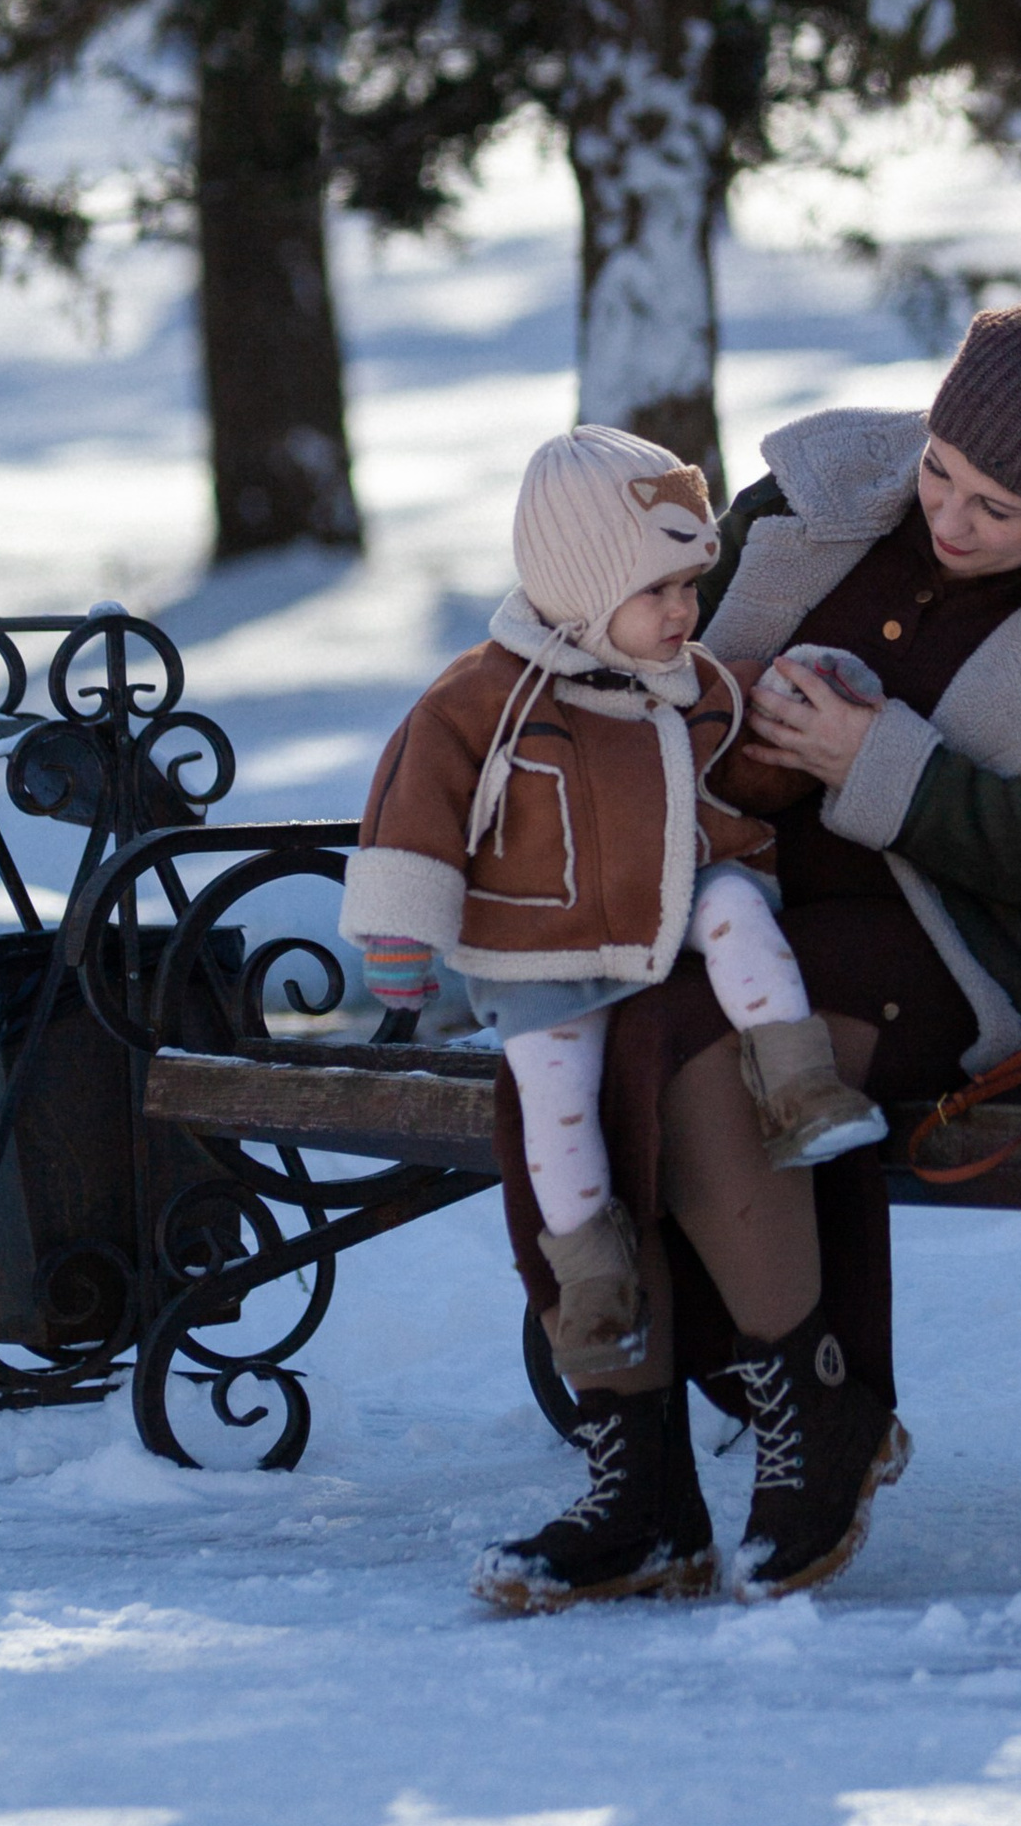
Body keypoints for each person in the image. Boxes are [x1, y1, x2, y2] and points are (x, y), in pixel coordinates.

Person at [475, 299, 1021, 1616]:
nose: (954, 517)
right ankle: (637, 1486)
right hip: (718, 897)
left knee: (724, 1049)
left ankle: (815, 1410)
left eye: (1001, 506)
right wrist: (732, 731)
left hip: (958, 943)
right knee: (580, 1045)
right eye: (943, 471)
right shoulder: (807, 503)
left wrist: (879, 770)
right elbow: (634, 658)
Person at [339, 426, 884, 1387]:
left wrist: (813, 695)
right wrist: (400, 928)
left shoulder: (687, 678)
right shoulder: (482, 697)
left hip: (675, 905)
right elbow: (412, 804)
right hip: (538, 941)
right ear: (585, 585)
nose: (685, 612)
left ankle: (798, 1087)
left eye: (691, 586)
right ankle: (592, 1282)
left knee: (742, 914)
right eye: (658, 591)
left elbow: (745, 740)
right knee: (555, 1107)